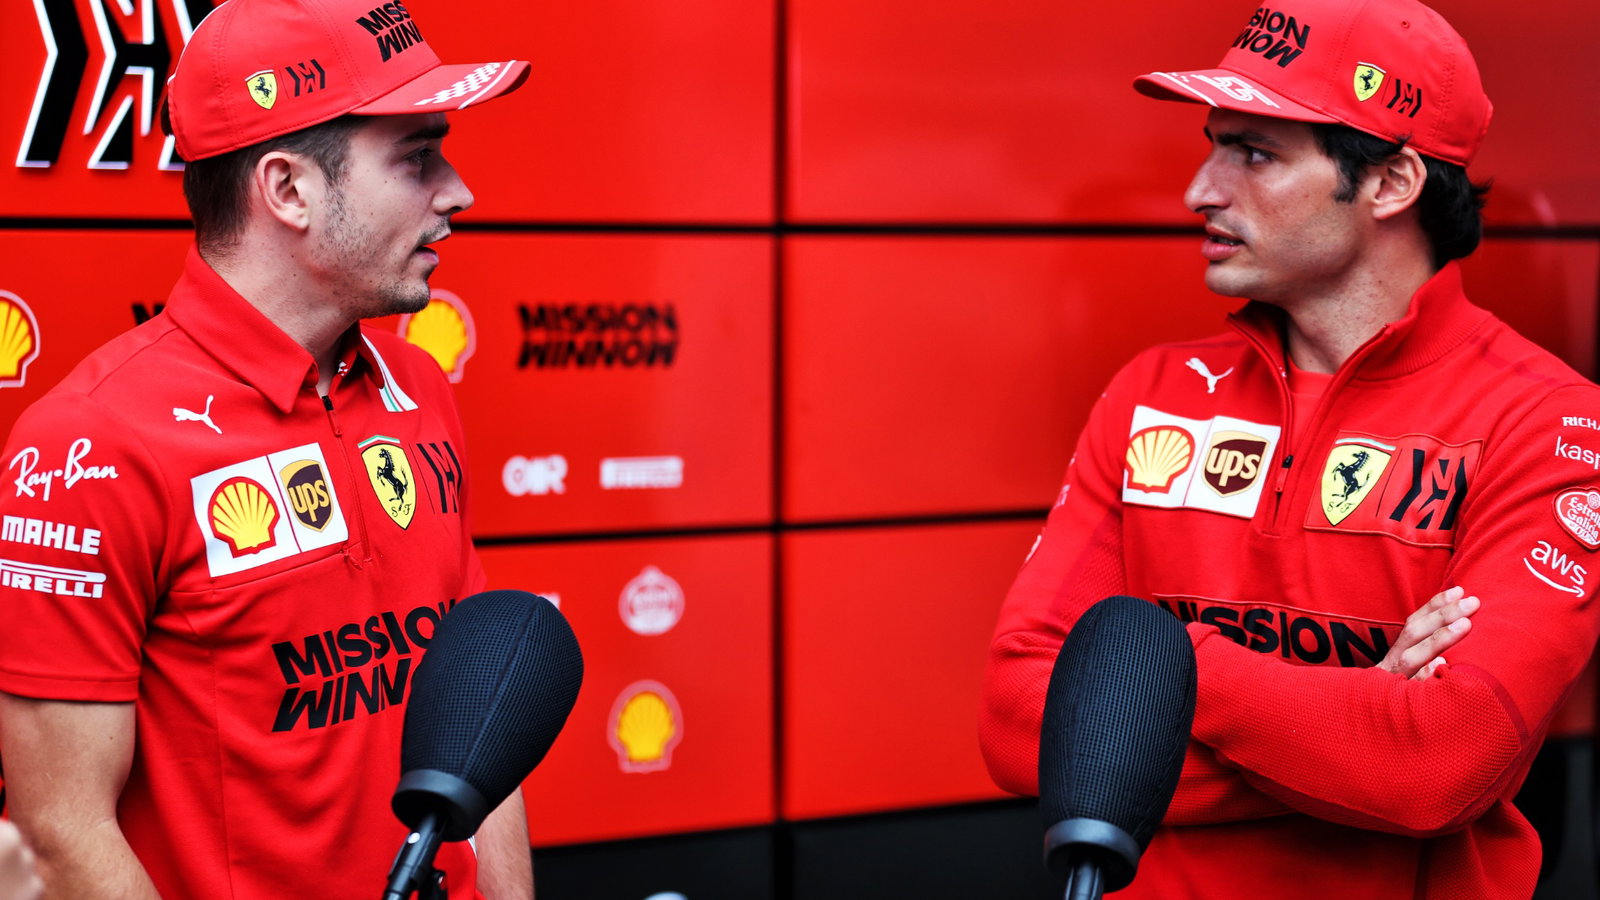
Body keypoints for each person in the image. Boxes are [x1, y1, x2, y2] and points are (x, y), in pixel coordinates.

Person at [979, 0, 1600, 897]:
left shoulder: (1545, 421)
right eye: (1214, 142)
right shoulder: (1151, 394)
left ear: (1391, 184)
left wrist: (1162, 673)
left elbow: (1440, 766)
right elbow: (1013, 725)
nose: (1201, 189)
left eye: (1256, 153)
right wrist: (1363, 711)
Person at [0, 1, 534, 897]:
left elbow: (479, 725)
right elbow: (62, 834)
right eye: (416, 156)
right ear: (288, 189)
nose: (456, 191)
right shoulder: (91, 443)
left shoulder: (421, 388)